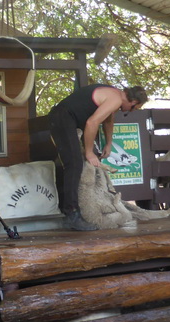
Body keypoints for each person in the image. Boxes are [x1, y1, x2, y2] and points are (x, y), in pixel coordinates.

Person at [48, 84, 147, 231]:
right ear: (133, 103)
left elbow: (108, 120)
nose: (129, 111)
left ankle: (72, 209)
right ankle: (71, 214)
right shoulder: (116, 99)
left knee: (76, 163)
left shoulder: (115, 94)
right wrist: (89, 152)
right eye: (135, 109)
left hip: (66, 118)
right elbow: (92, 122)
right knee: (74, 164)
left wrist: (109, 143)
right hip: (62, 117)